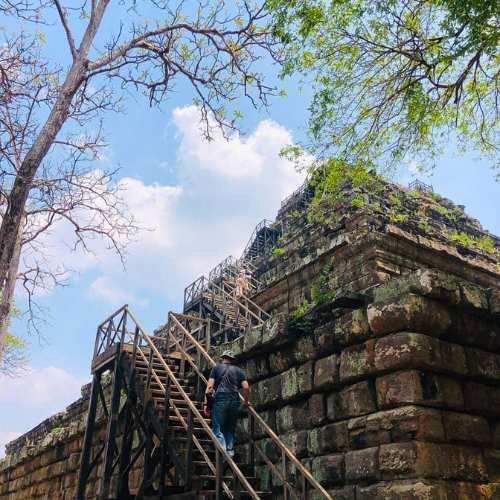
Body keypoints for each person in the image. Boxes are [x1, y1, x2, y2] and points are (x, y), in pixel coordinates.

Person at [204, 350, 250, 457]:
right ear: (232, 360)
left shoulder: (216, 369)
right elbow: (246, 387)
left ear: (223, 358)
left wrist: (206, 404)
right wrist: (246, 402)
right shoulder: (239, 371)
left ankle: (222, 448)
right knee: (230, 427)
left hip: (220, 398)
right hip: (234, 399)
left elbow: (209, 387)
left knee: (218, 427)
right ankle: (230, 450)